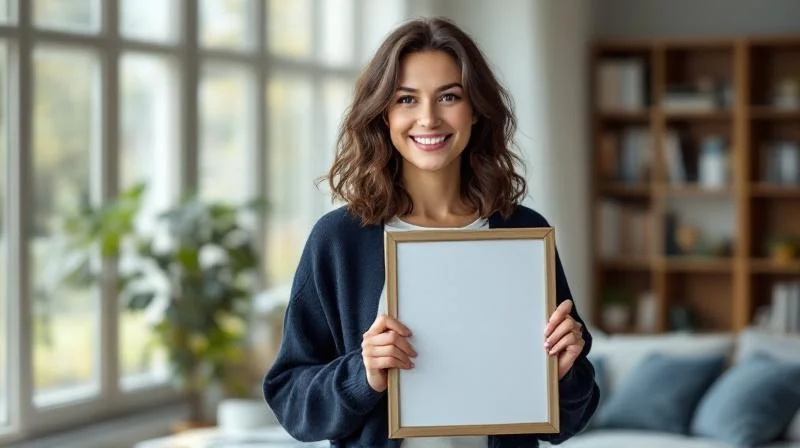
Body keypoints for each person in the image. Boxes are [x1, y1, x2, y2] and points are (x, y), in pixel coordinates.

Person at [263, 16, 599, 448]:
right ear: (383, 113)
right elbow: (291, 400)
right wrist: (361, 375)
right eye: (406, 99)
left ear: (475, 109)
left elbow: (571, 418)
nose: (428, 118)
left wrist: (567, 372)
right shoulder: (339, 240)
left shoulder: (523, 232)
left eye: (449, 96)